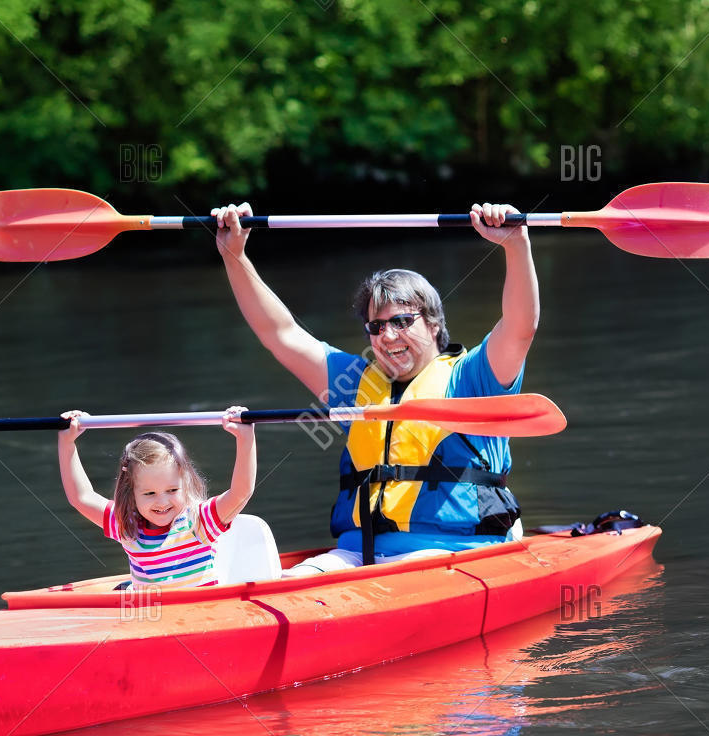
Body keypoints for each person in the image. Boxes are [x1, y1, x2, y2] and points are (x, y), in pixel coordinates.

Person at [211, 200, 539, 573]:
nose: (388, 336)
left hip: (452, 552)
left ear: (433, 324)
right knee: (285, 584)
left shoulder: (473, 377)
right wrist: (234, 256)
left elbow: (520, 327)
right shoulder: (352, 383)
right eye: (377, 326)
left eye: (401, 321)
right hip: (356, 554)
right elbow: (280, 334)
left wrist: (516, 244)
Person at [58, 407, 257, 589]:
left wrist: (245, 438)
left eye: (172, 490)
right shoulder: (127, 526)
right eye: (149, 493)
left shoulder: (200, 521)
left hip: (203, 616)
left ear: (185, 485)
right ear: (131, 492)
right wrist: (67, 443)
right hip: (151, 618)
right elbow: (81, 497)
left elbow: (241, 493)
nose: (162, 502)